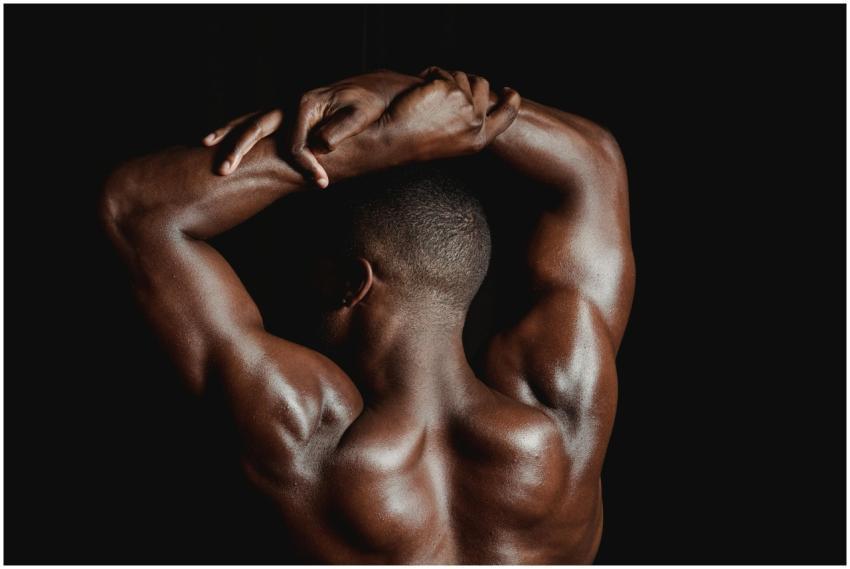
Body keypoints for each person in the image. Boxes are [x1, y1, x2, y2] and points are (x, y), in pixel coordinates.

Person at [100, 67, 635, 564]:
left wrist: (380, 142)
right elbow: (595, 163)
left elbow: (135, 209)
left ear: (352, 284)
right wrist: (401, 94)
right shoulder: (564, 418)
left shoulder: (305, 439)